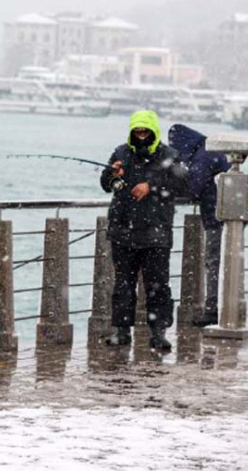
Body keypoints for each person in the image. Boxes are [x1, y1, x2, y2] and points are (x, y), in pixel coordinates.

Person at [100, 110, 188, 351]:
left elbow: (182, 185)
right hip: (122, 231)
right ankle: (121, 331)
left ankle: (158, 333)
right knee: (123, 285)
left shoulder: (171, 156)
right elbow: (106, 185)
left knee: (158, 285)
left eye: (145, 131)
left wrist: (151, 186)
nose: (141, 136)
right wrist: (111, 174)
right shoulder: (120, 153)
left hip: (156, 232)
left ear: (154, 131)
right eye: (136, 132)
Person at [168, 123, 231, 327]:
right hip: (227, 214)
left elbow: (193, 187)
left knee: (213, 263)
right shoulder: (209, 150)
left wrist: (167, 189)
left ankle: (213, 311)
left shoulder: (204, 156)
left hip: (217, 217)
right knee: (224, 264)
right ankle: (225, 308)